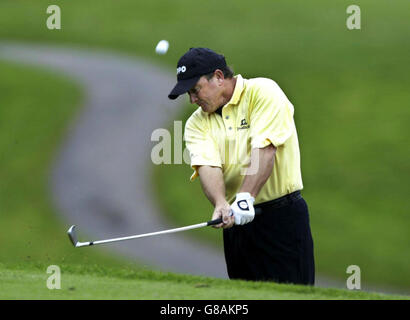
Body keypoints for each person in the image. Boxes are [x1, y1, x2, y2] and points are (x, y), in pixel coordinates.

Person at [168, 47, 315, 285]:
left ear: (218, 77)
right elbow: (208, 166)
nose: (192, 100)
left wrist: (245, 196)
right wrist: (221, 203)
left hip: (281, 219)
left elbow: (265, 149)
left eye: (195, 90)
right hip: (237, 226)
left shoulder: (263, 91)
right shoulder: (196, 122)